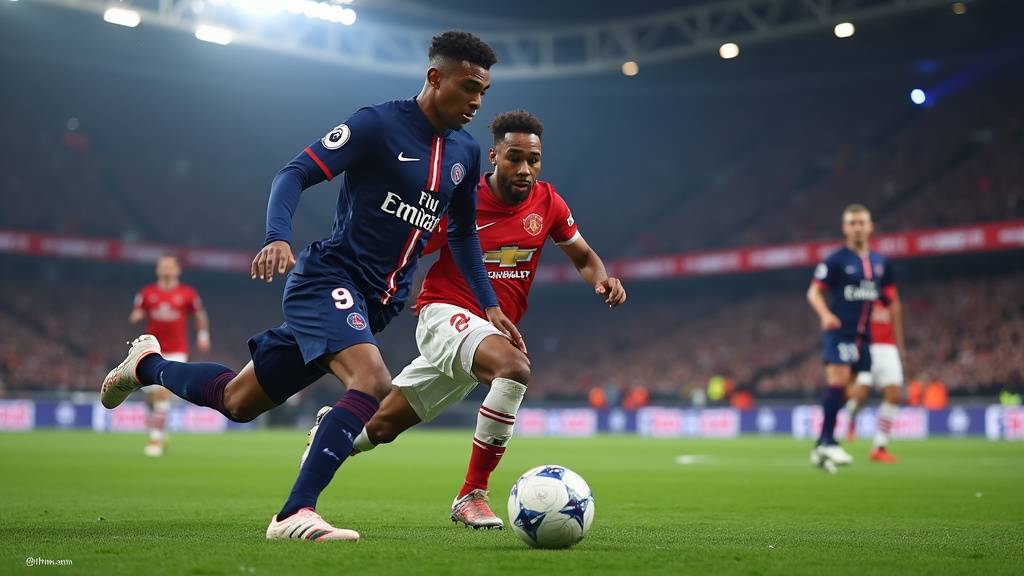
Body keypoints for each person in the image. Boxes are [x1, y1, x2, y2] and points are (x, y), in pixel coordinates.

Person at [101, 31, 522, 542]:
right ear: (435, 78)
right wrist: (278, 237)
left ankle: (146, 364)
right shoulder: (377, 124)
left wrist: (490, 304)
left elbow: (461, 235)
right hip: (328, 278)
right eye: (469, 87)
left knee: (239, 401)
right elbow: (294, 172)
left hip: (376, 302)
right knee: (371, 381)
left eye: (484, 91)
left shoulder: (466, 151)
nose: (477, 101)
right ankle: (294, 513)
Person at [299, 110, 625, 529]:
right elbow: (407, 244)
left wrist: (602, 280)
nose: (525, 169)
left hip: (486, 332)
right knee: (514, 368)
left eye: (533, 159)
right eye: (514, 158)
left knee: (380, 427)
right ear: (493, 156)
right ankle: (472, 493)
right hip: (444, 313)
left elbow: (582, 256)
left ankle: (333, 429)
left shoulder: (549, 203)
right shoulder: (462, 199)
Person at [806, 204, 893, 468]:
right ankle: (829, 443)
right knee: (838, 380)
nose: (857, 227)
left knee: (853, 392)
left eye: (861, 222)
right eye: (852, 223)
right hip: (839, 333)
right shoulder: (836, 260)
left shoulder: (880, 263)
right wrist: (825, 315)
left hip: (863, 338)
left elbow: (885, 296)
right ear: (845, 228)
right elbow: (813, 292)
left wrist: (884, 307)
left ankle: (821, 444)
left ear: (870, 226)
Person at [129, 255, 211, 457]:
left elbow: (200, 315)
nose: (166, 268)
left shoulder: (187, 294)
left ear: (177, 270)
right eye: (163, 265)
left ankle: (155, 440)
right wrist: (136, 316)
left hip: (176, 350)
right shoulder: (147, 293)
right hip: (150, 350)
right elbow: (136, 313)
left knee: (162, 394)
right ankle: (160, 431)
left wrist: (202, 335)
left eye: (170, 265)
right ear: (158, 269)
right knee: (150, 399)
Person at [844, 292, 905, 463]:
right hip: (866, 347)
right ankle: (851, 419)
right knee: (860, 395)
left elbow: (896, 313)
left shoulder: (889, 295)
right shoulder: (860, 296)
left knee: (894, 395)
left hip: (888, 348)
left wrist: (900, 346)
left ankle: (879, 447)